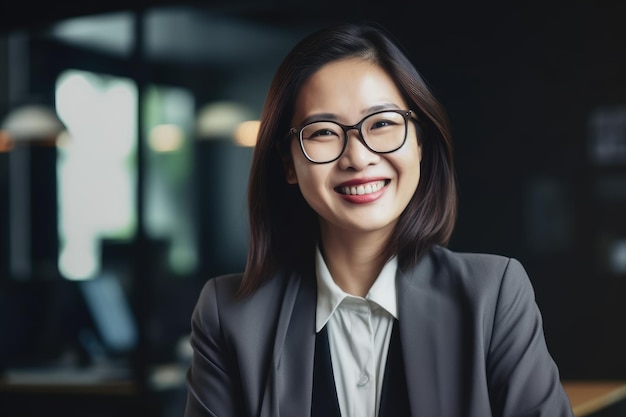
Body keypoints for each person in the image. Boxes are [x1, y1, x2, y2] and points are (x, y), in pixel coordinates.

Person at [184, 22, 574, 417]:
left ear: (419, 142)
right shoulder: (228, 316)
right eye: (323, 132)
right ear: (289, 161)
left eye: (383, 123)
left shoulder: (493, 297)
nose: (358, 156)